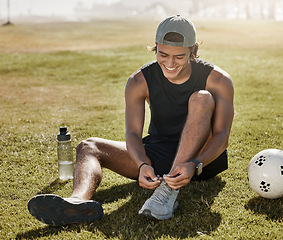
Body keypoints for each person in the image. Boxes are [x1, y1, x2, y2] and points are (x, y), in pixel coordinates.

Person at [28, 15, 234, 225]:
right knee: (89, 146)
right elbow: (133, 134)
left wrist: (195, 164)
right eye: (163, 54)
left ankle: (167, 192)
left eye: (179, 57)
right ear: (155, 47)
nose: (170, 63)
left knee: (202, 98)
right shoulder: (139, 81)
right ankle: (77, 201)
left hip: (201, 161)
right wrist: (142, 163)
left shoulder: (218, 80)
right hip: (159, 156)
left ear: (193, 50)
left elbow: (221, 136)